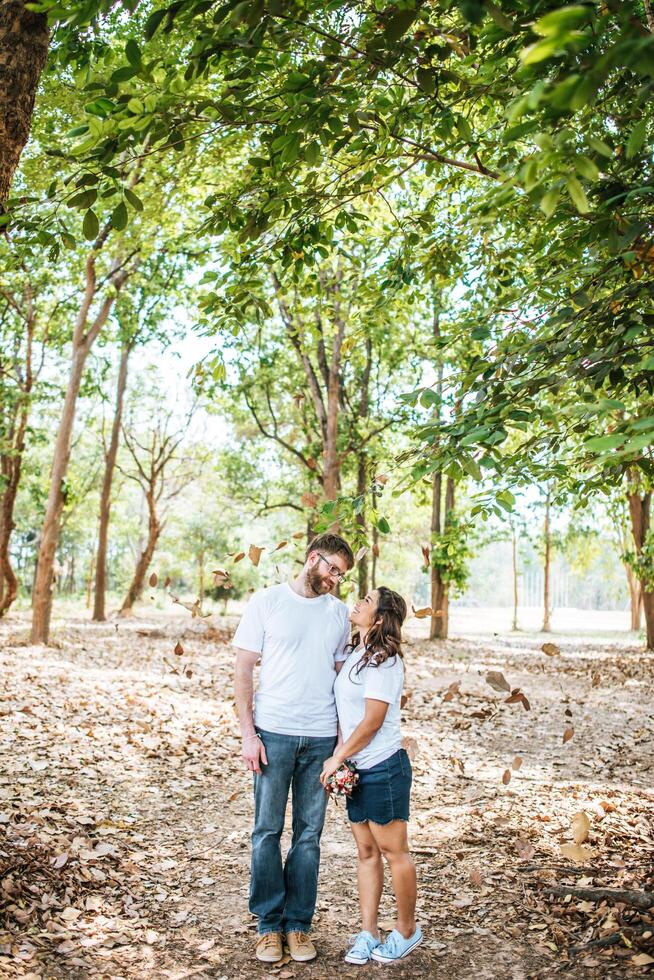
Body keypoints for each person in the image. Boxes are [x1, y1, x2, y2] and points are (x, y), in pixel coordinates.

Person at [232, 533, 355, 964]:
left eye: (342, 574)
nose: (336, 580)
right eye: (332, 569)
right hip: (274, 734)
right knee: (266, 832)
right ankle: (269, 925)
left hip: (321, 738)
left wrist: (342, 743)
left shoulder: (339, 614)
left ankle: (298, 925)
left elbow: (343, 682)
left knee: (308, 836)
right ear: (312, 558)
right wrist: (249, 735)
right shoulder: (266, 602)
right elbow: (243, 670)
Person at [320, 587, 422, 965]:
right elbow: (347, 715)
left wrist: (337, 758)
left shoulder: (386, 661)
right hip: (358, 771)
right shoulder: (357, 654)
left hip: (383, 768)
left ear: (379, 619)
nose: (359, 602)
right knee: (366, 853)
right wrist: (343, 760)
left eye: (368, 601)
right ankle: (368, 932)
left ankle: (408, 930)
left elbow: (373, 722)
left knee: (394, 852)